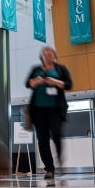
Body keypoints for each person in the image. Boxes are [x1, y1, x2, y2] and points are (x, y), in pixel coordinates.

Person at [26, 46, 73, 180]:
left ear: (54, 56)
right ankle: (49, 169)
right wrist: (37, 81)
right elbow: (28, 84)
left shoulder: (60, 69)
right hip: (38, 110)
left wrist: (55, 82)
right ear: (42, 56)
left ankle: (60, 159)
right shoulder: (36, 70)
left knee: (57, 133)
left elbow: (68, 85)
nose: (48, 56)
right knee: (42, 140)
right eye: (45, 54)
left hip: (55, 109)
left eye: (50, 54)